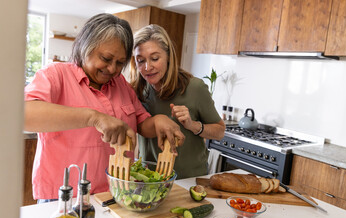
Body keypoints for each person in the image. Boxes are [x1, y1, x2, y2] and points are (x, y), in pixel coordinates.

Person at [24, 14, 185, 202]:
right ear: (86, 47)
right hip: (65, 197)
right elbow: (24, 114)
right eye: (106, 58)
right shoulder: (55, 75)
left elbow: (141, 123)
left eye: (119, 63)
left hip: (116, 193)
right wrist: (94, 118)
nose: (111, 69)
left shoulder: (121, 84)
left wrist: (158, 121)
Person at [130, 24, 225, 179]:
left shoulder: (195, 88)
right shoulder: (137, 91)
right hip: (149, 180)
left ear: (168, 56)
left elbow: (220, 132)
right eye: (140, 60)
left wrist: (192, 125)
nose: (147, 67)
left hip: (189, 179)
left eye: (155, 58)